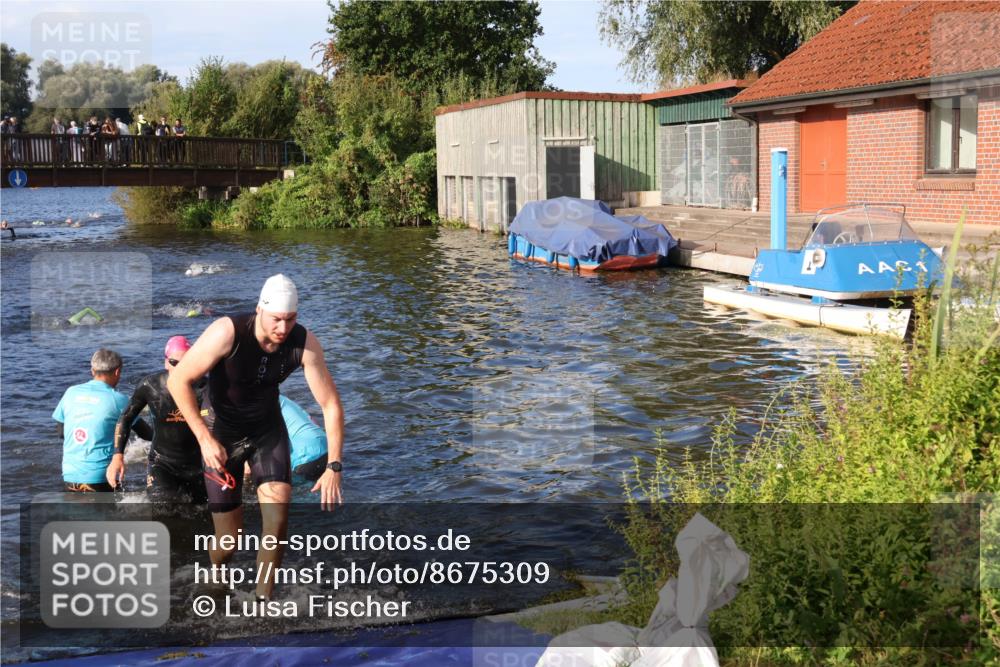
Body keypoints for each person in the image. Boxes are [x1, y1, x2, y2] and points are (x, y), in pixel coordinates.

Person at [167, 274, 344, 600]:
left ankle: (262, 602)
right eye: (277, 318)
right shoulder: (227, 331)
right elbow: (178, 381)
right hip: (222, 436)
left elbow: (330, 403)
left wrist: (334, 465)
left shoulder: (304, 343)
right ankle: (216, 570)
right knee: (228, 542)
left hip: (267, 433)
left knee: (276, 527)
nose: (283, 327)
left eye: (291, 319)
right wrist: (204, 439)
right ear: (259, 309)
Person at [108, 336, 210, 503]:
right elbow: (126, 418)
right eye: (174, 362)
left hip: (198, 465)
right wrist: (117, 457)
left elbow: (226, 423)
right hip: (162, 463)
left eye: (186, 363)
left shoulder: (205, 388)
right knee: (162, 511)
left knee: (200, 516)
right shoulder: (150, 386)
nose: (181, 368)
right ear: (166, 362)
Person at [53, 349, 152, 493]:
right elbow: (146, 433)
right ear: (117, 372)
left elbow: (61, 432)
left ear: (92, 370)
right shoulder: (119, 399)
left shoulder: (70, 392)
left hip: (70, 475)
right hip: (102, 476)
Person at [280, 394, 329, 481]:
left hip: (305, 456)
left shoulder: (259, 404)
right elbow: (312, 420)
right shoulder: (283, 399)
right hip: (326, 447)